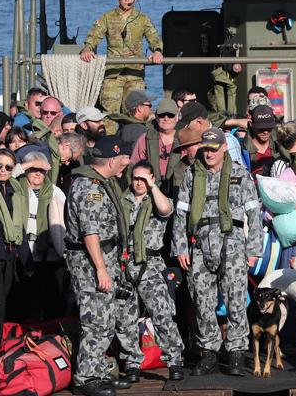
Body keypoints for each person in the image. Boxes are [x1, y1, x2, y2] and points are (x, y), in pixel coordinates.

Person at [172, 128, 263, 377]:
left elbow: (254, 213)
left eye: (214, 148)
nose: (209, 153)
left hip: (231, 242)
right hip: (200, 242)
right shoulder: (192, 174)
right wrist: (181, 246)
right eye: (206, 149)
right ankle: (209, 352)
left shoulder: (239, 174)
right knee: (202, 300)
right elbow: (180, 212)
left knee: (235, 298)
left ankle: (235, 352)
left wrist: (254, 248)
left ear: (224, 148)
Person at [64, 136, 132, 396]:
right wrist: (101, 269)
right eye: (120, 159)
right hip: (91, 262)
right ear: (112, 161)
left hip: (105, 256)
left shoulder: (103, 183)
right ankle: (87, 377)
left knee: (106, 317)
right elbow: (90, 233)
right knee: (95, 320)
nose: (123, 164)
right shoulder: (89, 188)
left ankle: (99, 369)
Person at [115, 161, 184, 382]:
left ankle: (174, 360)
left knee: (162, 315)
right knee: (125, 319)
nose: (139, 182)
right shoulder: (121, 200)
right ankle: (132, 362)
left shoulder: (156, 200)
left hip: (151, 266)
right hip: (125, 266)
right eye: (135, 178)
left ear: (152, 178)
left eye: (144, 178)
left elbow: (166, 210)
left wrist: (153, 187)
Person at [80, 0, 163, 133]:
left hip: (135, 73)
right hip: (113, 74)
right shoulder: (107, 17)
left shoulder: (142, 19)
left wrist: (157, 51)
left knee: (136, 114)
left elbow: (154, 37)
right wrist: (87, 48)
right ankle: (109, 146)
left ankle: (135, 145)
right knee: (110, 114)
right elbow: (94, 35)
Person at [19, 151, 67, 320]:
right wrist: (25, 165)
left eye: (42, 169)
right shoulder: (18, 190)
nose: (38, 173)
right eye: (33, 169)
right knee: (30, 303)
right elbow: (7, 175)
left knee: (54, 302)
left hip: (53, 256)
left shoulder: (56, 192)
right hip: (27, 255)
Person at [0, 149, 28, 352]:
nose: (2, 170)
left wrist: (26, 260)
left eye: (7, 167)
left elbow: (18, 228)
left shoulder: (15, 191)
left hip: (9, 257)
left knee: (3, 305)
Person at [130, 99, 180, 193]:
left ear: (177, 117)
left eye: (170, 115)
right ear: (156, 117)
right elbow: (133, 166)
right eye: (162, 115)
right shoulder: (145, 138)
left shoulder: (184, 139)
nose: (166, 118)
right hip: (150, 190)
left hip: (177, 190)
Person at [245, 105, 279, 178]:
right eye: (261, 128)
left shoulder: (279, 146)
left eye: (269, 128)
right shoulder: (243, 150)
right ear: (251, 124)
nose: (265, 132)